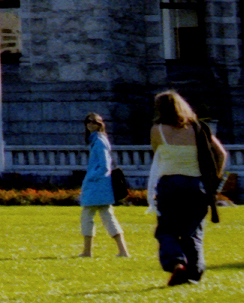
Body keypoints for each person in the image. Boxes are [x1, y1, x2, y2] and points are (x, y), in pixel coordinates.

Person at [146, 91, 225, 286]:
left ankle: (176, 263)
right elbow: (221, 154)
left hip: (169, 184)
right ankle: (194, 272)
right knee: (192, 231)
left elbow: (158, 154)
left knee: (167, 229)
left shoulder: (158, 130)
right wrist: (214, 179)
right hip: (196, 185)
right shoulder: (198, 129)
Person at [77, 114, 129, 258]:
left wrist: (90, 178)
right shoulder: (98, 140)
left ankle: (87, 251)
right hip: (101, 186)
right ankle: (123, 251)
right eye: (87, 121)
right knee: (107, 217)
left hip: (97, 186)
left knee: (87, 216)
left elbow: (104, 166)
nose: (89, 124)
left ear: (100, 124)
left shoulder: (99, 141)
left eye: (93, 122)